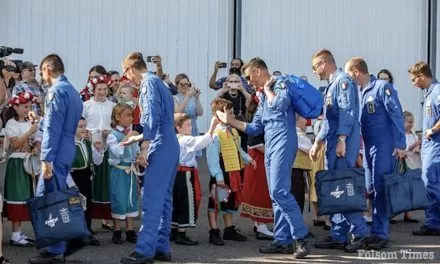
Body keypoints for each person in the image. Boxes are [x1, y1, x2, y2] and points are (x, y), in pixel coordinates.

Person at [215, 57, 310, 259]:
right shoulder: (263, 97)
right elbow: (254, 127)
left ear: (258, 71)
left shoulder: (279, 84)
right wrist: (230, 121)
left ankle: (300, 237)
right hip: (271, 143)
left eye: (249, 77)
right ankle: (282, 239)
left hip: (283, 142)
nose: (249, 82)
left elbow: (282, 104)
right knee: (275, 194)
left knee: (279, 191)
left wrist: (266, 90)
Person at [119, 52, 179, 264]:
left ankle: (145, 250)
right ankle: (161, 246)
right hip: (170, 143)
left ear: (130, 69)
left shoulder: (148, 84)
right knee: (164, 200)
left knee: (153, 199)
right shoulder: (159, 82)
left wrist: (144, 147)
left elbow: (151, 117)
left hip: (160, 144)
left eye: (127, 75)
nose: (129, 80)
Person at [309, 50, 368, 252]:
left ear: (324, 63)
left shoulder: (343, 82)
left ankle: (360, 232)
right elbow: (329, 119)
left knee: (343, 188)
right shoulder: (332, 85)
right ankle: (338, 233)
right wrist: (318, 141)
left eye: (315, 66)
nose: (315, 71)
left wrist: (342, 139)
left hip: (342, 144)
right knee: (335, 190)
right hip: (333, 144)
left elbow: (347, 112)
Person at [344, 57, 406, 249]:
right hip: (369, 146)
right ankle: (375, 230)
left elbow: (396, 114)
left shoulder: (382, 87)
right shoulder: (360, 91)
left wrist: (400, 144)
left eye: (348, 74)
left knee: (380, 187)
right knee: (370, 188)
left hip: (384, 146)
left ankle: (381, 233)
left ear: (356, 71)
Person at [28, 54, 83, 264]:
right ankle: (57, 244)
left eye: (41, 70)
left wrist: (46, 158)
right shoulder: (72, 91)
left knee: (49, 198)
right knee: (55, 194)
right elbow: (58, 123)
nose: (41, 75)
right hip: (66, 147)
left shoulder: (55, 91)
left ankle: (56, 250)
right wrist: (41, 121)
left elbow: (53, 128)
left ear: (48, 69)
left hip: (56, 150)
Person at [207, 98, 255, 246]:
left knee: (229, 202)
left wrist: (247, 158)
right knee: (215, 202)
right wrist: (218, 176)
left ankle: (228, 229)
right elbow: (212, 157)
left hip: (233, 171)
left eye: (233, 112)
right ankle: (214, 231)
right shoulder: (215, 134)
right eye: (229, 112)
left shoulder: (232, 130)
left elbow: (238, 148)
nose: (233, 115)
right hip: (221, 172)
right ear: (219, 114)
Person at [170, 113, 217, 245]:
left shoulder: (174, 138)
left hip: (176, 174)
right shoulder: (184, 139)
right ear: (178, 128)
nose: (190, 127)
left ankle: (174, 230)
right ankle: (181, 233)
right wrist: (213, 125)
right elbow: (201, 142)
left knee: (176, 202)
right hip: (185, 174)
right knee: (187, 202)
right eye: (187, 125)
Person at [3, 92, 41, 247]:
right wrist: (30, 132)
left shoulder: (32, 122)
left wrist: (36, 148)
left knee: (28, 196)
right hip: (17, 164)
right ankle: (15, 234)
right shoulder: (11, 123)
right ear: (16, 107)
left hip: (30, 163)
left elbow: (38, 140)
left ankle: (19, 233)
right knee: (17, 197)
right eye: (24, 106)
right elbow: (16, 144)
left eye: (29, 106)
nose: (27, 109)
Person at [408, 61, 440, 236]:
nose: (413, 84)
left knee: (431, 184)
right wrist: (421, 140)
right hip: (429, 145)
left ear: (421, 75)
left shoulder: (437, 92)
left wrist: (433, 130)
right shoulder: (429, 94)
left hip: (436, 147)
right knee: (430, 185)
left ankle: (434, 222)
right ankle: (434, 223)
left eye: (414, 79)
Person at [107, 103, 143, 245]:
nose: (130, 118)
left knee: (131, 199)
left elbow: (135, 150)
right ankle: (117, 230)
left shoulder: (131, 132)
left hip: (130, 171)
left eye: (131, 115)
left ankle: (130, 230)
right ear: (117, 117)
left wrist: (138, 157)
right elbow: (117, 151)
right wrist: (129, 137)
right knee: (118, 198)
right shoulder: (113, 135)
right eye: (127, 115)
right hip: (119, 171)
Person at [240, 96, 273, 240]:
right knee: (260, 191)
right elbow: (256, 143)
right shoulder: (259, 118)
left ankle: (258, 224)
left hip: (256, 157)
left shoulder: (256, 116)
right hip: (258, 158)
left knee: (258, 190)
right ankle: (261, 226)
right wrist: (274, 153)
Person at [70, 117, 103, 246]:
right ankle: (75, 234)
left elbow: (96, 161)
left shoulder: (87, 142)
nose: (84, 129)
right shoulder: (70, 144)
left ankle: (87, 231)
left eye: (84, 126)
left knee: (88, 205)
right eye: (80, 127)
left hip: (87, 177)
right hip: (74, 177)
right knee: (75, 206)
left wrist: (97, 149)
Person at [291, 115, 311, 214]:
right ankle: (297, 227)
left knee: (297, 199)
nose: (306, 121)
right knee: (297, 199)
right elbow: (310, 149)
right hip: (295, 171)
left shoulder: (294, 132)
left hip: (294, 171)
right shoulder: (297, 134)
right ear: (297, 118)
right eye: (304, 118)